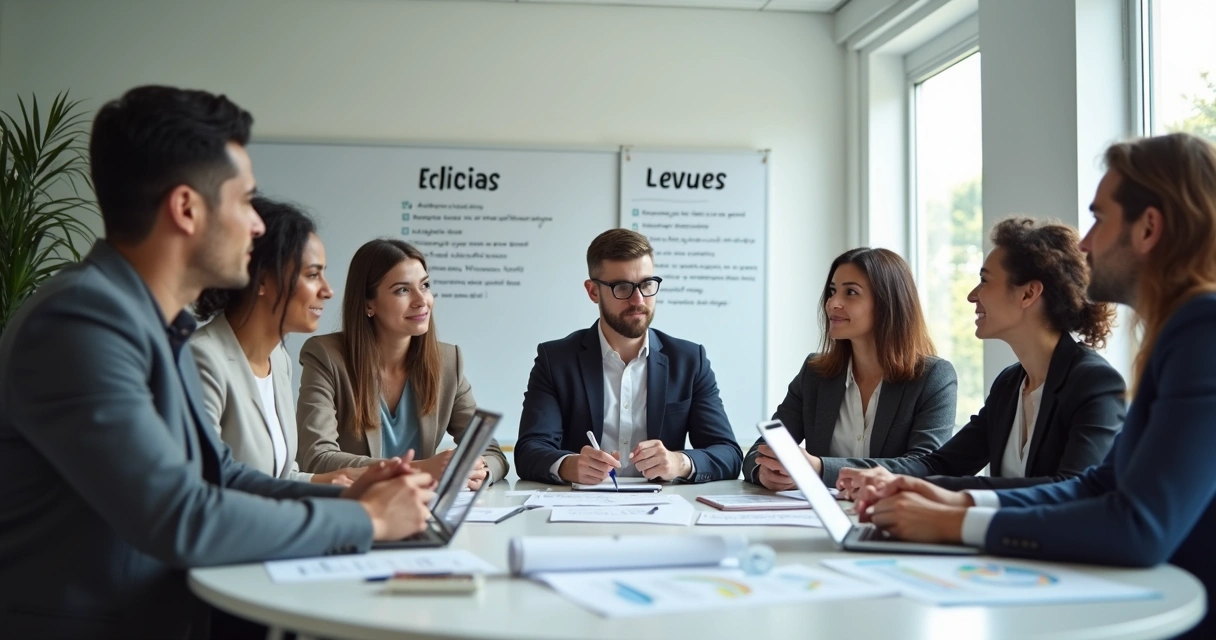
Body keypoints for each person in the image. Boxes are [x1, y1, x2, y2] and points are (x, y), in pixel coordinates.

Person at [0, 86, 434, 639]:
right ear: (186, 209)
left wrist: (352, 495)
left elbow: (221, 475)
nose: (257, 226)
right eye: (244, 201)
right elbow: (180, 515)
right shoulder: (81, 322)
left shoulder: (159, 325)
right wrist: (367, 518)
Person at [853, 133, 1216, 639]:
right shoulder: (1180, 333)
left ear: (1148, 227)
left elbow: (1140, 528)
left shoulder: (1202, 329)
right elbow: (1098, 485)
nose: (1085, 244)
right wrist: (954, 502)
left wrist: (953, 523)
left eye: (1099, 218)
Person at [837, 218, 1125, 494]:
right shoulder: (1009, 384)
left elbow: (1072, 488)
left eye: (985, 281)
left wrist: (939, 491)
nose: (972, 295)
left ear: (1028, 294)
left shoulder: (1094, 382)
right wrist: (886, 478)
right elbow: (944, 465)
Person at [514, 228, 742, 484]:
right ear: (593, 291)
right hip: (582, 503)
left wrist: (679, 462)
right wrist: (569, 465)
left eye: (646, 284)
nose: (638, 299)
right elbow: (529, 451)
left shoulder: (689, 361)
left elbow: (729, 455)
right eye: (622, 287)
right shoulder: (555, 360)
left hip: (663, 504)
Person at [296, 239, 509, 487]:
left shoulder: (448, 362)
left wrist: (480, 471)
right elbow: (317, 458)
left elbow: (491, 453)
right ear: (368, 304)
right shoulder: (326, 356)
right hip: (354, 505)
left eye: (425, 285)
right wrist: (421, 469)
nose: (422, 300)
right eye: (402, 290)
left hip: (420, 505)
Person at [741, 248, 957, 488]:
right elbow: (760, 451)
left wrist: (820, 469)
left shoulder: (933, 377)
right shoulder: (814, 373)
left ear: (888, 303)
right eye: (832, 291)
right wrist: (765, 471)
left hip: (889, 511)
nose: (833, 303)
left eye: (851, 292)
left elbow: (924, 466)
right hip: (816, 511)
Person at [190, 197, 365, 486]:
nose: (327, 290)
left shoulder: (278, 359)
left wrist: (330, 482)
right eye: (312, 275)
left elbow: (279, 476)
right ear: (260, 279)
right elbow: (209, 487)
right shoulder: (202, 360)